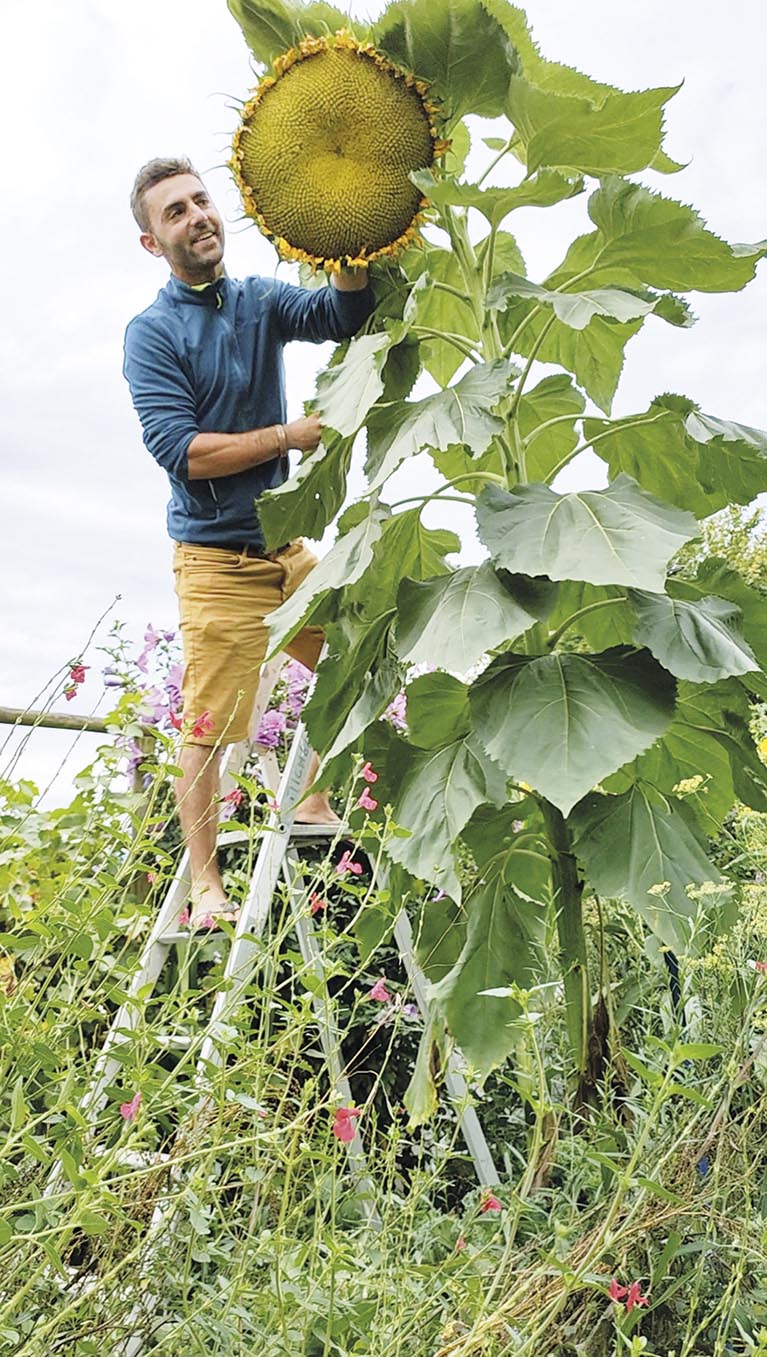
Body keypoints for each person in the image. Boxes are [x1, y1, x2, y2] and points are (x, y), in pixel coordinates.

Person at [123, 157, 373, 927]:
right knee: (209, 726)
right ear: (151, 241)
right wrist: (285, 437)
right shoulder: (152, 333)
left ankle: (313, 795)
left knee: (360, 644)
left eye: (201, 201)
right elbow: (181, 449)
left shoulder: (260, 300)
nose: (197, 215)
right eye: (175, 211)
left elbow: (340, 317)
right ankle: (206, 886)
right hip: (216, 562)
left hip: (285, 548)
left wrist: (349, 245)